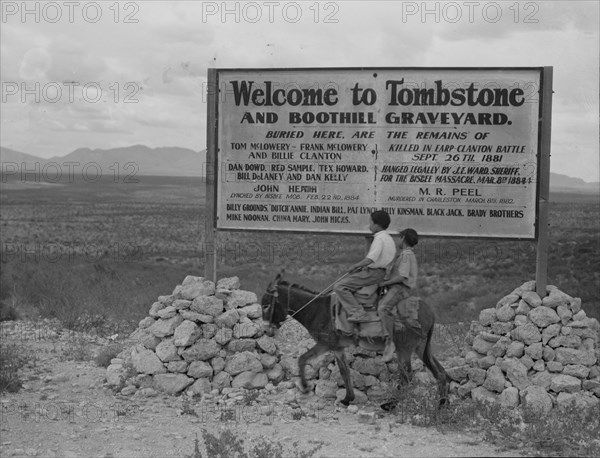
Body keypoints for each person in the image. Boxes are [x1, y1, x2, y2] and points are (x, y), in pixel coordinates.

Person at [333, 210, 396, 323]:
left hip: (373, 273)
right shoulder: (388, 238)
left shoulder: (379, 239)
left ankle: (358, 313)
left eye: (370, 223)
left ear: (376, 225)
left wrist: (355, 266)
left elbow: (371, 258)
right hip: (380, 271)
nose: (369, 226)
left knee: (339, 286)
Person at [378, 228, 421, 362]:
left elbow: (402, 276)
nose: (398, 240)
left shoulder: (406, 255)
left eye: (399, 237)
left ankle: (390, 341)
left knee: (382, 307)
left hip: (401, 288)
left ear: (403, 238)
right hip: (399, 287)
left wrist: (384, 283)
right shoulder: (406, 254)